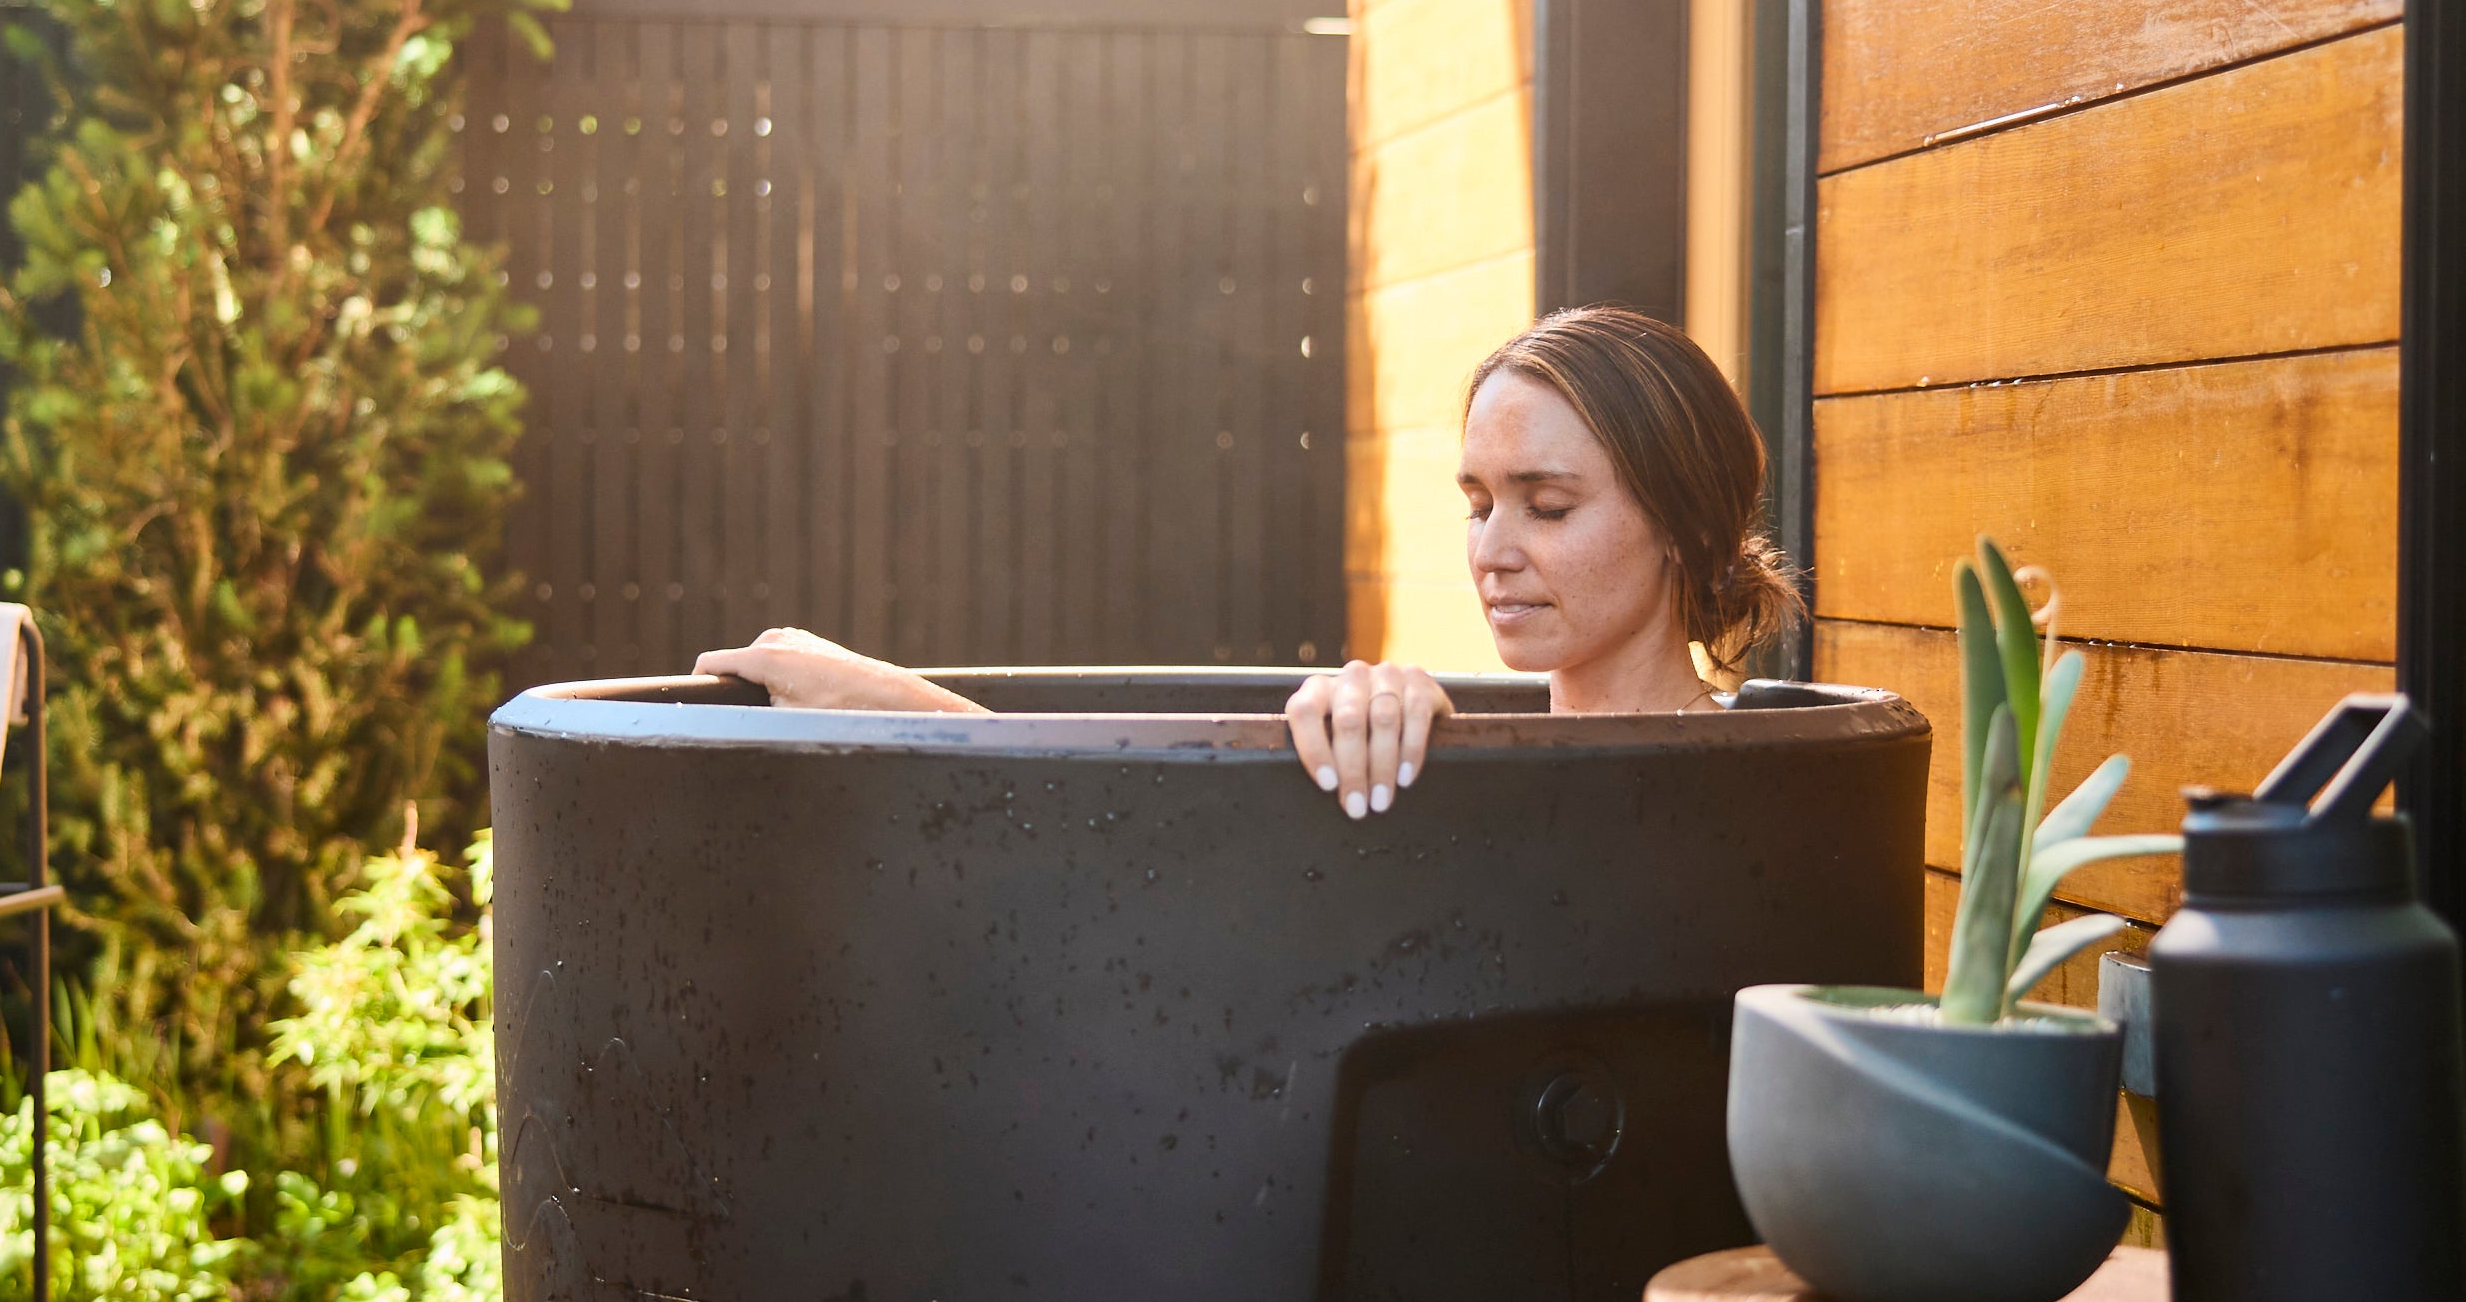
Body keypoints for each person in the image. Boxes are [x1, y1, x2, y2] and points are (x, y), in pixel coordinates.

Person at [694, 304, 1800, 823]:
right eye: (1476, 503)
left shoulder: (1775, 776)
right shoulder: (1448, 761)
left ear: (1684, 527)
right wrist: (885, 701)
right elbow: (1156, 846)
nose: (1493, 551)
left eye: (1547, 506)